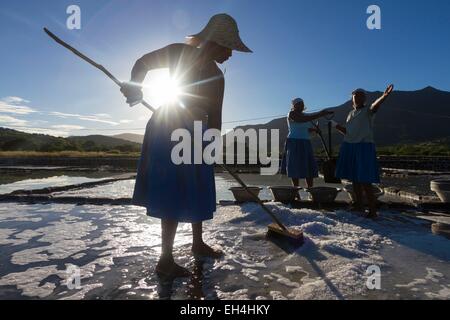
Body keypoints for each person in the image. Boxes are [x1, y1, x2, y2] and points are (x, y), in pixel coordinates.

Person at [120, 14, 252, 279]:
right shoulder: (178, 52)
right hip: (168, 125)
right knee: (172, 187)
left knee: (197, 186)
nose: (231, 54)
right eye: (229, 48)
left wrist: (211, 145)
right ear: (216, 42)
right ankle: (165, 260)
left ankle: (197, 243)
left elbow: (216, 116)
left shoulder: (217, 76)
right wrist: (135, 86)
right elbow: (142, 63)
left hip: (197, 132)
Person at [332, 85, 394, 218]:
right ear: (352, 99)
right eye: (356, 96)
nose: (358, 98)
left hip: (364, 146)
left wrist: (384, 96)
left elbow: (375, 106)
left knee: (365, 179)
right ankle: (359, 206)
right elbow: (348, 132)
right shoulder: (350, 114)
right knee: (355, 179)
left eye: (361, 96)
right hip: (350, 146)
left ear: (364, 99)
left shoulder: (368, 110)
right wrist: (335, 125)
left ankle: (372, 211)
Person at [281, 98, 334, 189]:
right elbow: (301, 120)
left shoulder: (305, 116)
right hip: (294, 142)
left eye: (302, 104)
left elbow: (305, 128)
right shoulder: (291, 114)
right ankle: (296, 190)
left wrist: (314, 130)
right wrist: (320, 113)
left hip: (305, 142)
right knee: (295, 166)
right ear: (293, 106)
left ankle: (310, 190)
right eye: (298, 104)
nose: (300, 105)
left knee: (308, 166)